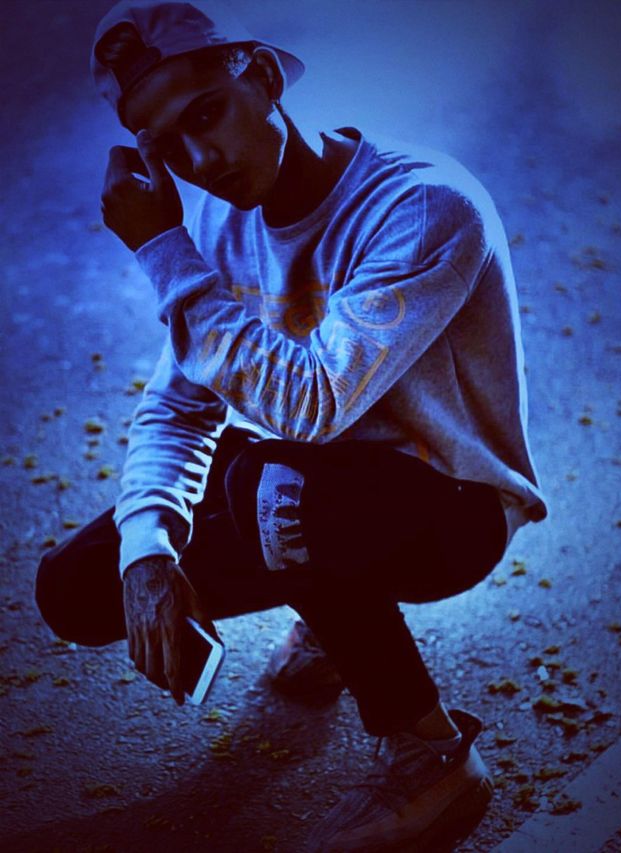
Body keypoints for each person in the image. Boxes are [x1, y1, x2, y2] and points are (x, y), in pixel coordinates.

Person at [34, 1, 549, 849]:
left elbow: (311, 404)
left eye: (207, 113)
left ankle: (431, 757)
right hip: (314, 486)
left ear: (264, 76)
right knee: (79, 586)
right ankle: (332, 607)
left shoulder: (423, 205)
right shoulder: (219, 221)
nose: (201, 161)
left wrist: (163, 253)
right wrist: (149, 551)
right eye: (167, 147)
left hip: (452, 509)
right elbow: (179, 402)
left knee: (269, 486)